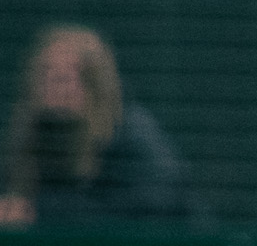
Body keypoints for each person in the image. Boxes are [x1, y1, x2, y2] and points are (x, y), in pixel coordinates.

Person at [0, 26, 189, 228]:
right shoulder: (33, 137)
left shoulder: (131, 134)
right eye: (47, 72)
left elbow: (152, 207)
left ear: (94, 83)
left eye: (68, 75)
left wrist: (37, 211)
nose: (56, 84)